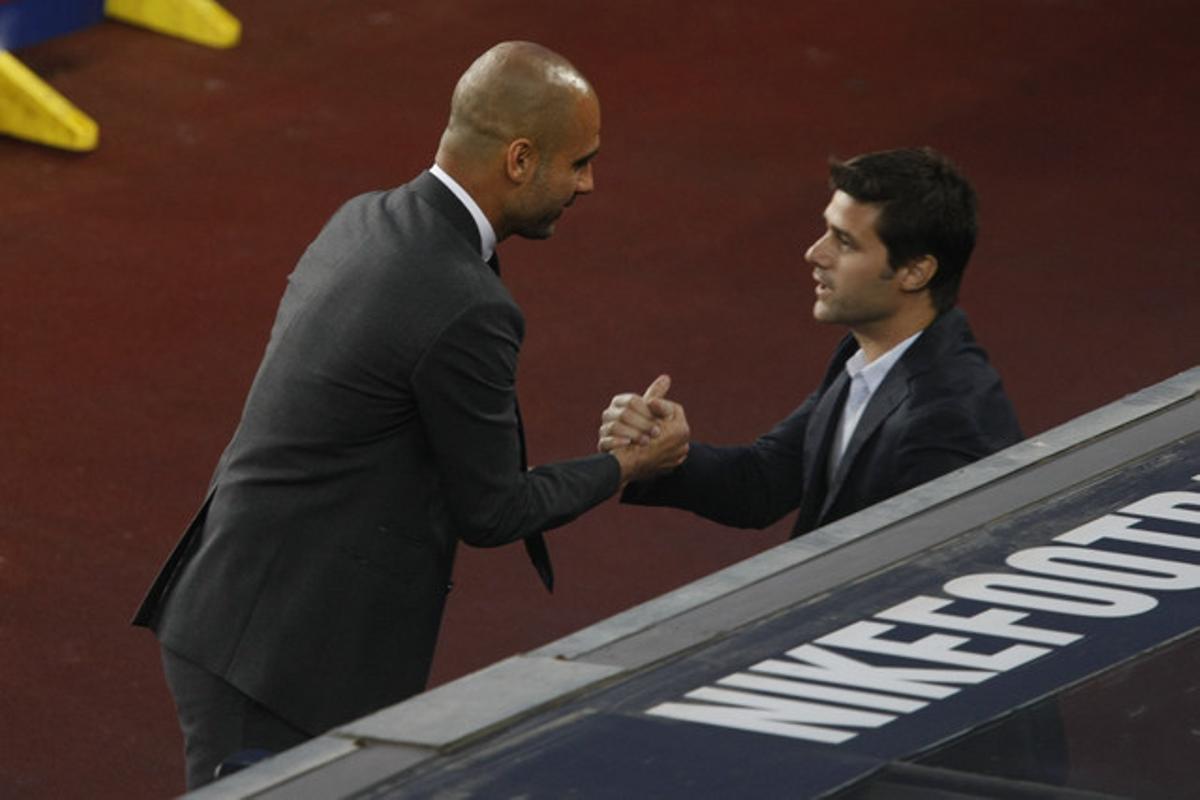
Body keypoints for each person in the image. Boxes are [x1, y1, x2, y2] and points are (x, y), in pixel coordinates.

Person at [132, 41, 687, 789]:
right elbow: (492, 509)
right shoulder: (466, 300)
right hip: (279, 660)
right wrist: (626, 464)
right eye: (578, 162)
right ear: (520, 160)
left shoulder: (365, 218)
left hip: (238, 612)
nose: (588, 184)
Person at [599, 147, 1021, 537]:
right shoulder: (869, 356)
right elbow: (763, 483)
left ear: (914, 272)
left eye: (845, 242)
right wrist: (665, 453)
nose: (814, 253)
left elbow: (922, 582)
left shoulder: (945, 425)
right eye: (827, 231)